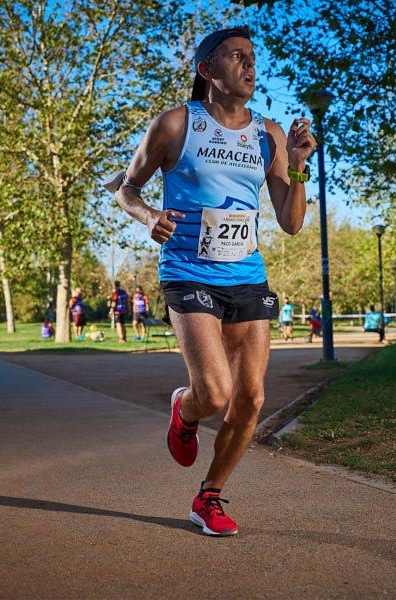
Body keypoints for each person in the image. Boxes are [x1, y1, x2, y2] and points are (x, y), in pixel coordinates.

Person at [113, 26, 316, 537]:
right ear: (207, 70)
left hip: (246, 272)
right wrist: (147, 217)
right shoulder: (176, 124)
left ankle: (209, 497)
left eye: (252, 57)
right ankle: (185, 407)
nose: (249, 66)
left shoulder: (267, 134)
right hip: (187, 269)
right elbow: (126, 188)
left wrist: (298, 167)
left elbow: (290, 222)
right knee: (217, 392)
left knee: (251, 398)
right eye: (236, 57)